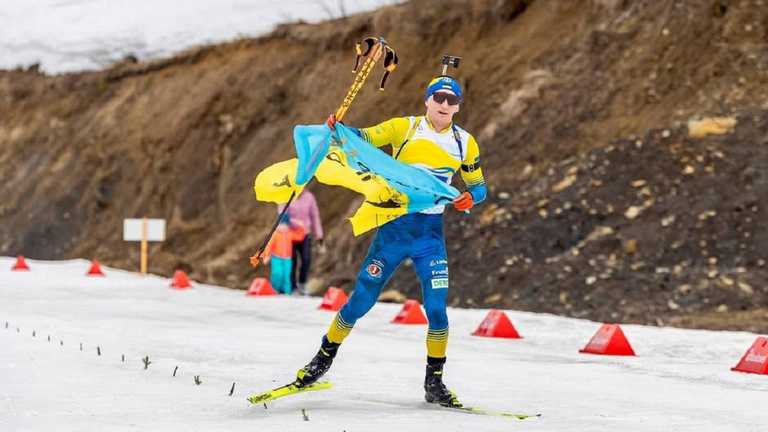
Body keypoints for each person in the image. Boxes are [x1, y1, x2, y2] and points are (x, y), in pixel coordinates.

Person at [294, 75, 487, 407]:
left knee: (438, 311)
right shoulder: (405, 128)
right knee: (360, 303)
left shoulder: (464, 142)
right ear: (426, 99)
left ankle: (434, 383)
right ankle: (320, 361)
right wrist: (336, 128)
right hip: (393, 231)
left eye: (451, 100)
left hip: (430, 237)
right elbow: (363, 137)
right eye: (438, 97)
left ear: (458, 106)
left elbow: (479, 186)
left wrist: (471, 198)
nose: (444, 105)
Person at [277, 190, 324, 295]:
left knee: (306, 259)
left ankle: (302, 283)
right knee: (292, 261)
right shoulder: (286, 195)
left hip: (305, 234)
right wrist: (293, 222)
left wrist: (319, 235)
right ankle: (293, 287)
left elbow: (315, 216)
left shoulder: (309, 196)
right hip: (290, 234)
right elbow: (281, 214)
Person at [262, 214, 306, 295]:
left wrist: (302, 227)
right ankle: (274, 289)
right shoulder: (275, 234)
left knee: (286, 276)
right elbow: (269, 246)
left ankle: (287, 292)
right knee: (277, 273)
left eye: (285, 225)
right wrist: (266, 256)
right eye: (281, 225)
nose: (283, 227)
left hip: (287, 259)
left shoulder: (290, 233)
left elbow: (300, 237)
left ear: (288, 225)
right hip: (276, 258)